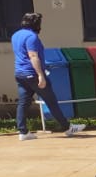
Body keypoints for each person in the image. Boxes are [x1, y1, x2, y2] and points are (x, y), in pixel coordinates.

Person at [12, 12, 84, 141]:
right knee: (51, 101)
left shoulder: (15, 35)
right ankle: (67, 127)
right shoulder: (32, 37)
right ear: (36, 24)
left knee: (23, 103)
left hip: (20, 73)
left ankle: (23, 132)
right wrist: (41, 75)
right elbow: (33, 56)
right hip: (32, 73)